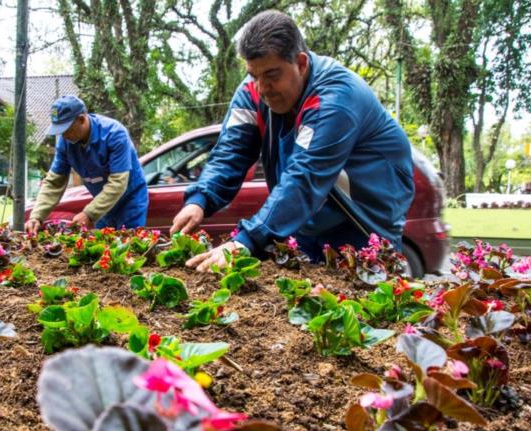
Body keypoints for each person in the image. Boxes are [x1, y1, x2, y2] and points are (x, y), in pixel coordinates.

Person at [170, 10, 414, 271]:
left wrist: (246, 240)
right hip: (304, 222)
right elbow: (231, 151)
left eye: (272, 76)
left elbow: (305, 175)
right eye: (254, 75)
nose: (261, 88)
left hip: (361, 225)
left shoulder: (336, 98)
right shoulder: (253, 90)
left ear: (301, 63)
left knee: (359, 305)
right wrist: (200, 199)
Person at [25, 95, 149, 234]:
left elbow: (118, 183)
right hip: (102, 203)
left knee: (128, 245)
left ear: (82, 119)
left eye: (67, 129)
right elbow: (54, 182)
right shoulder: (65, 143)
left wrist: (89, 214)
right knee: (101, 247)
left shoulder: (115, 134)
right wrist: (37, 216)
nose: (64, 136)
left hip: (129, 199)